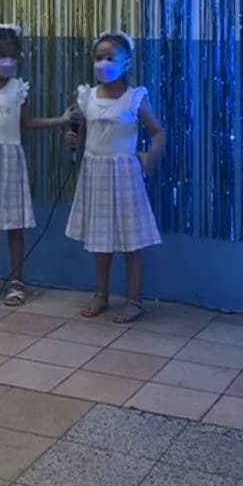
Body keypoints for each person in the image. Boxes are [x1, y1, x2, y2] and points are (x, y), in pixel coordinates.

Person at [0, 22, 71, 306]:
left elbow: (29, 123)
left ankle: (17, 280)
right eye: (1, 54)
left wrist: (62, 119)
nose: (7, 60)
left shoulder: (20, 89)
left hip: (11, 160)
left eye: (12, 55)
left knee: (14, 224)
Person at [65, 31, 165, 321]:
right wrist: (72, 140)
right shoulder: (87, 97)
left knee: (130, 241)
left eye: (111, 58)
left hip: (124, 174)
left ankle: (134, 299)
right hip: (95, 171)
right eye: (99, 58)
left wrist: (149, 156)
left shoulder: (135, 97)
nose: (103, 64)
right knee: (100, 238)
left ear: (126, 63)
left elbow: (158, 132)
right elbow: (80, 131)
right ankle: (101, 293)